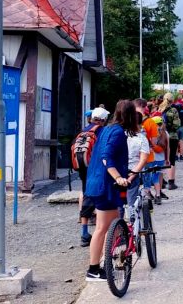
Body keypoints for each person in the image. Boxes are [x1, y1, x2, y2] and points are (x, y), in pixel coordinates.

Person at [84, 99, 139, 282]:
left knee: (113, 224)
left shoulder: (107, 129)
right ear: (131, 116)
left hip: (97, 182)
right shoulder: (117, 133)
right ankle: (93, 269)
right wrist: (118, 177)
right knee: (101, 228)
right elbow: (107, 157)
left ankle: (108, 261)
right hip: (105, 185)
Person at [77, 107, 109, 247]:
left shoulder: (83, 131)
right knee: (100, 195)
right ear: (102, 120)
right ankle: (100, 231)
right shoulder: (102, 131)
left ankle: (84, 232)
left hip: (82, 168)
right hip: (95, 168)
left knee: (86, 194)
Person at [159, 92, 180, 190]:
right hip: (172, 137)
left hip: (161, 137)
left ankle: (161, 181)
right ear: (172, 100)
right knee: (171, 159)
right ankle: (171, 183)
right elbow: (177, 125)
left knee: (161, 159)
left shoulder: (159, 109)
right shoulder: (173, 110)